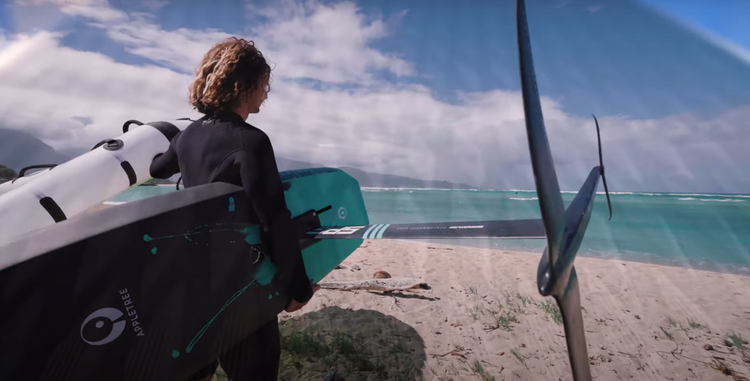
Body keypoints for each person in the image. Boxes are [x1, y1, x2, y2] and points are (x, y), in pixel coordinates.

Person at [149, 37, 319, 381]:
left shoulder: (187, 137)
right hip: (238, 289)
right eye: (264, 84)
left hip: (192, 284)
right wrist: (298, 288)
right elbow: (273, 219)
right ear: (244, 86)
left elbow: (157, 169)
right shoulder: (250, 141)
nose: (266, 93)